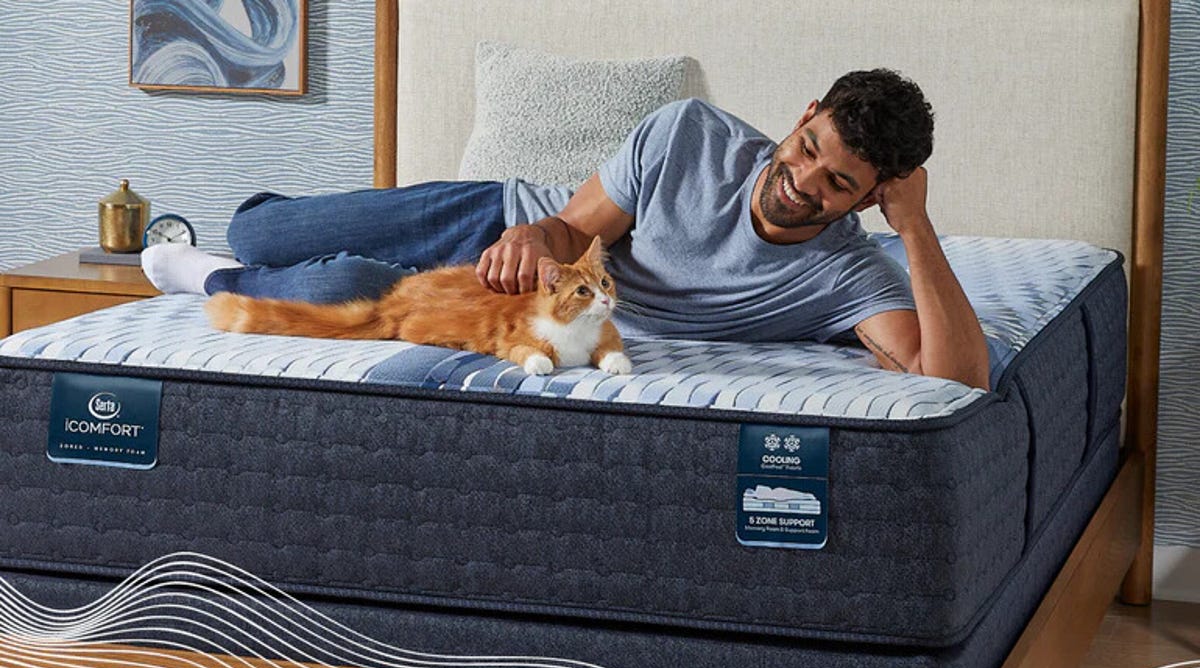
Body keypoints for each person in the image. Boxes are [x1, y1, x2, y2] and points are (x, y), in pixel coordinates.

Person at [143, 68, 990, 390]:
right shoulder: (691, 131)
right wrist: (523, 242)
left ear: (872, 196)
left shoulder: (850, 272)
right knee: (262, 232)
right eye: (806, 148)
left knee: (341, 289)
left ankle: (210, 280)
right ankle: (237, 252)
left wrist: (915, 228)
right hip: (503, 221)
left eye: (837, 183)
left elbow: (955, 377)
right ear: (804, 113)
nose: (798, 183)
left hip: (529, 309)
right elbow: (567, 225)